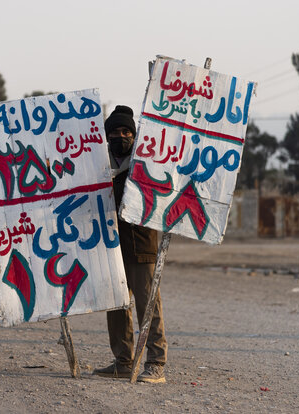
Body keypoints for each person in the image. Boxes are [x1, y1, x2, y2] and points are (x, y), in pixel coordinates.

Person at [93, 105, 168, 383]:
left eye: (126, 132)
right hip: (111, 247)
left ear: (135, 135)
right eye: (115, 132)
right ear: (107, 136)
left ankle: (156, 363)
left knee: (148, 307)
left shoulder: (144, 163)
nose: (121, 137)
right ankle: (123, 361)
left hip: (141, 245)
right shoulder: (99, 166)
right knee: (117, 307)